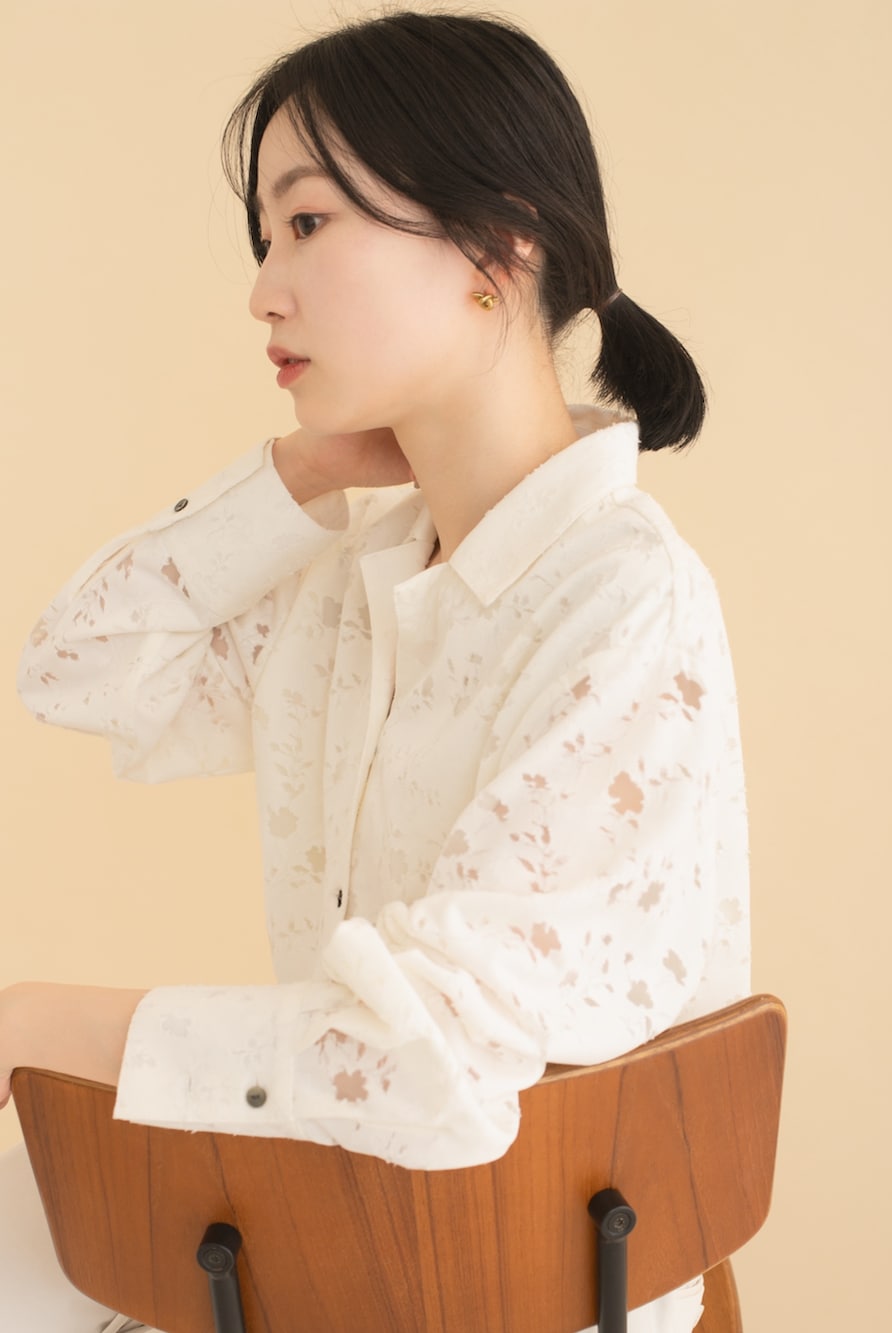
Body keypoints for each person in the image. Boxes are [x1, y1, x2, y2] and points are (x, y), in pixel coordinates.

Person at [1, 11, 748, 1332]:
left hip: (514, 1270)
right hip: (335, 1207)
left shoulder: (620, 601)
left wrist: (37, 1023)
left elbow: (434, 1064)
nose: (262, 290)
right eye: (265, 238)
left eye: (306, 223)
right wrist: (298, 472)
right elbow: (80, 671)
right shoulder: (356, 582)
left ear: (496, 245)